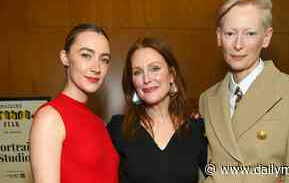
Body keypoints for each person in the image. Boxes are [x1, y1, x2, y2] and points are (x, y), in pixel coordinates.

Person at [199, 0, 289, 183]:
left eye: (250, 33)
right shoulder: (207, 99)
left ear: (266, 37)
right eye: (230, 33)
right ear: (218, 36)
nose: (238, 44)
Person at [107, 37, 207, 183]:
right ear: (132, 82)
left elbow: (218, 174)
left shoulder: (196, 129)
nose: (146, 79)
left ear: (171, 75)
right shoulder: (118, 129)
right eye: (137, 72)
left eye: (155, 68)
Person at [30, 23, 119, 183]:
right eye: (86, 55)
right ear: (65, 58)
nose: (96, 67)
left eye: (104, 59)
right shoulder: (50, 117)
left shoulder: (99, 123)